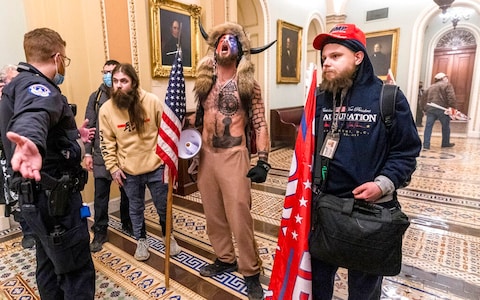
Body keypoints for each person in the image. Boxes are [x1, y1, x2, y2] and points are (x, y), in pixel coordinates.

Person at [310, 23, 421, 299]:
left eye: (335, 56)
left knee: (364, 289)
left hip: (369, 211)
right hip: (324, 207)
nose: (326, 63)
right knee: (317, 282)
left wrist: (382, 185)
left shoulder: (388, 98)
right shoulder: (320, 99)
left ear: (358, 57)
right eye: (324, 58)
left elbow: (406, 152)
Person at [0, 27, 96, 299]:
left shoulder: (17, 84)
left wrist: (74, 135)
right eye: (64, 59)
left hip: (37, 199)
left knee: (48, 263)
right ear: (57, 57)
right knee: (75, 271)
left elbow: (46, 127)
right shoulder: (38, 87)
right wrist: (30, 139)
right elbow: (35, 113)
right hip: (57, 202)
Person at [191, 22, 274, 300]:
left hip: (234, 155)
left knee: (239, 216)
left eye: (231, 39)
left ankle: (250, 271)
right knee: (214, 215)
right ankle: (225, 258)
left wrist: (263, 160)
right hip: (206, 156)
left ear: (239, 49)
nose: (225, 42)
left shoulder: (249, 84)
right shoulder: (204, 82)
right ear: (215, 48)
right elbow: (201, 119)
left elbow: (260, 123)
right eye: (221, 39)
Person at [98, 63, 181, 261]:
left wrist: (168, 163)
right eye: (115, 81)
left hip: (156, 166)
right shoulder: (106, 110)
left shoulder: (151, 101)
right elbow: (106, 142)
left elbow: (166, 133)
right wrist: (113, 168)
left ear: (134, 83)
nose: (118, 86)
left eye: (124, 81)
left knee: (163, 206)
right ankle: (141, 240)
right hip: (128, 170)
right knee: (135, 208)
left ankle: (168, 236)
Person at [85, 59, 135, 253]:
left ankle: (127, 222)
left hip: (123, 154)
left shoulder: (127, 97)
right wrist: (87, 153)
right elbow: (89, 127)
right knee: (100, 196)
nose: (108, 76)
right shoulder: (95, 97)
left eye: (111, 72)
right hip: (100, 154)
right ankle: (100, 232)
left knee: (127, 193)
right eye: (105, 72)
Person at [0, 64, 36, 249]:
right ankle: (27, 232)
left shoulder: (26, 101)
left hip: (27, 159)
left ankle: (35, 231)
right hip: (7, 161)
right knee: (16, 200)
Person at [422, 72, 457, 149]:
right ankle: (445, 143)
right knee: (445, 127)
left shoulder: (430, 87)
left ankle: (426, 144)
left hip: (430, 109)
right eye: (446, 77)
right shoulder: (447, 85)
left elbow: (423, 99)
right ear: (443, 78)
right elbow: (451, 97)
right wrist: (452, 107)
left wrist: (424, 109)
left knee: (428, 127)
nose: (447, 79)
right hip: (443, 109)